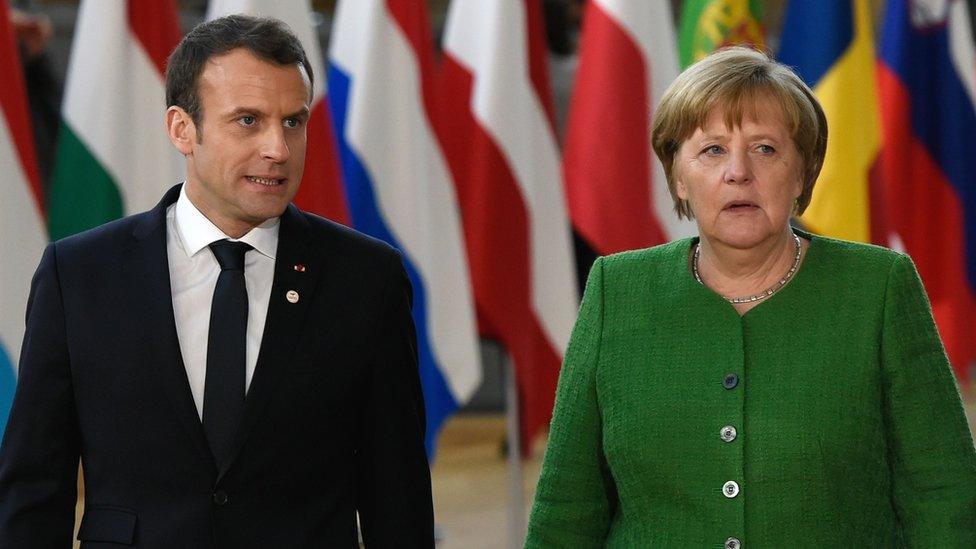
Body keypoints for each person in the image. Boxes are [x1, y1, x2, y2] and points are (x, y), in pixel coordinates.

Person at [0, 15, 434, 548]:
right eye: (249, 121)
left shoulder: (366, 279)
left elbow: (399, 495)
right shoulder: (81, 275)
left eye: (294, 122)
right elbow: (35, 488)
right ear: (182, 128)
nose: (278, 148)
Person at [525, 46, 976, 547]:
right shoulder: (617, 290)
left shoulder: (878, 287)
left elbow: (943, 495)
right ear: (678, 175)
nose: (737, 172)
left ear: (802, 172)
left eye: (765, 148)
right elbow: (566, 506)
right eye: (712, 149)